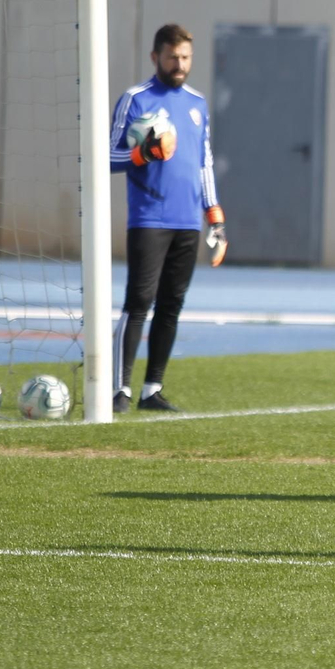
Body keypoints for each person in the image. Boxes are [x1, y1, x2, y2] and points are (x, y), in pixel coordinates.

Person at [107, 23, 227, 413]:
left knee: (172, 305)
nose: (180, 64)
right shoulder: (135, 99)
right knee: (138, 302)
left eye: (186, 57)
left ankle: (151, 391)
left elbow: (204, 162)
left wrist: (214, 215)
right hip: (149, 219)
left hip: (188, 221)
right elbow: (106, 156)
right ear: (155, 57)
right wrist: (144, 153)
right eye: (173, 57)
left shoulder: (197, 103)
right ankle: (119, 391)